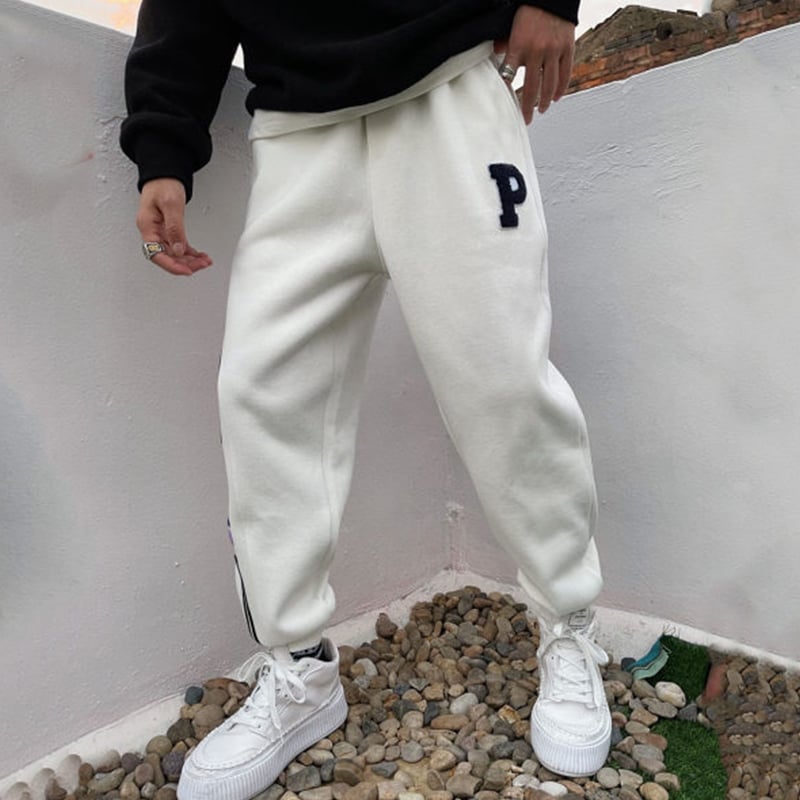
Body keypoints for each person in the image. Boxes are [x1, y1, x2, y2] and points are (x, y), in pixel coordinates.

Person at [120, 0, 611, 796]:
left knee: (503, 383)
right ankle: (301, 670)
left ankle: (570, 624)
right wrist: (162, 149)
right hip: (298, 132)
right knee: (263, 396)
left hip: (449, 91)